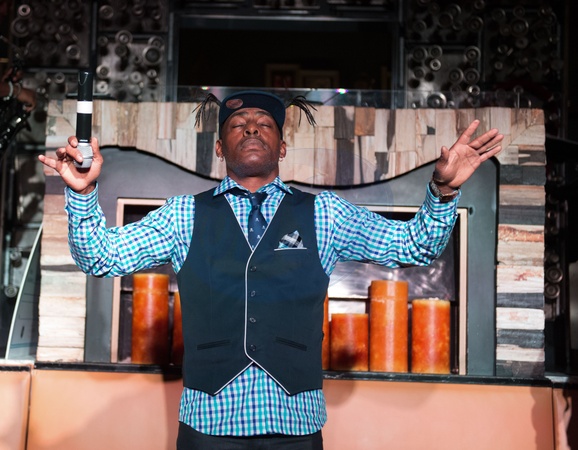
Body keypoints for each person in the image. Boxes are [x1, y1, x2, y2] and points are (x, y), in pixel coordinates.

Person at [38, 90, 503, 450]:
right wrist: (82, 193)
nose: (251, 128)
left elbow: (416, 246)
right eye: (237, 124)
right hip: (208, 426)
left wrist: (443, 191)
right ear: (219, 147)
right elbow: (99, 256)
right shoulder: (183, 215)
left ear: (282, 147)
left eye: (264, 124)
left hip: (294, 427)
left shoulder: (325, 214)